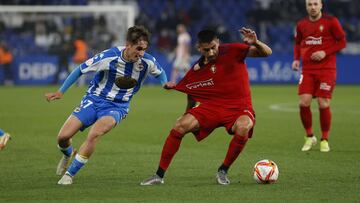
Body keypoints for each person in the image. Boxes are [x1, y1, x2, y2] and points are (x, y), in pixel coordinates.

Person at [141, 27, 272, 186]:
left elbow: (267, 53)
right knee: (179, 126)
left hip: (239, 106)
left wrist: (256, 42)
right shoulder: (197, 69)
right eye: (206, 50)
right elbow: (191, 92)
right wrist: (186, 113)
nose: (210, 53)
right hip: (212, 107)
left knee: (244, 127)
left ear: (218, 43)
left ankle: (223, 170)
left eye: (213, 48)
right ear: (199, 48)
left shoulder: (233, 50)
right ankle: (158, 175)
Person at [45, 25, 168, 185]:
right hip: (94, 100)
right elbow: (80, 70)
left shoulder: (147, 61)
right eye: (138, 48)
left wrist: (165, 83)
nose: (141, 53)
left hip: (117, 106)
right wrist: (61, 92)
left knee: (94, 134)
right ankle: (68, 154)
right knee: (63, 137)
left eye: (144, 49)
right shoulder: (109, 56)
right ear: (128, 44)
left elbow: (161, 73)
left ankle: (69, 175)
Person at [292, 0, 346, 152]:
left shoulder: (331, 22)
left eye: (316, 4)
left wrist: (325, 52)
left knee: (323, 103)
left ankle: (324, 139)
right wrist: (296, 59)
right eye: (310, 4)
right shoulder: (301, 24)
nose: (313, 7)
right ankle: (309, 137)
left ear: (321, 5)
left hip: (326, 69)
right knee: (303, 102)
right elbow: (297, 43)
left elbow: (342, 42)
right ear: (306, 6)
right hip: (308, 69)